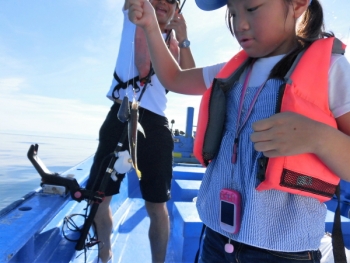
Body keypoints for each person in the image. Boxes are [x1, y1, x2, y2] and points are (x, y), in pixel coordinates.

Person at [128, 0, 350, 262]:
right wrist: (151, 25)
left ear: (298, 4)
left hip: (285, 252)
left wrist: (319, 137)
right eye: (232, 13)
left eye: (252, 8)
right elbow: (174, 78)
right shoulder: (231, 71)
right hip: (215, 239)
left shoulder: (331, 69)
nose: (239, 24)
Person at [85, 0, 195, 262]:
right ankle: (105, 254)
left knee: (157, 206)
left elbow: (189, 78)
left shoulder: (175, 45)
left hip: (156, 125)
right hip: (120, 116)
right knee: (99, 197)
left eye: (171, 1)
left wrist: (184, 38)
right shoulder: (133, 14)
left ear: (176, 10)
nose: (163, 3)